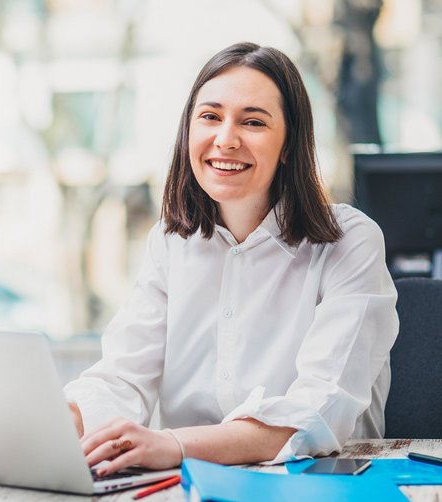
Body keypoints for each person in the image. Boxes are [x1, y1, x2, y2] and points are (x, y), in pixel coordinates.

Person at [64, 42, 398, 477]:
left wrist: (172, 444)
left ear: (288, 146)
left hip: (315, 484)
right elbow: (123, 377)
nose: (225, 139)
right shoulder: (170, 241)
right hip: (189, 483)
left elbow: (318, 410)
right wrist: (60, 423)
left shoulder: (348, 241)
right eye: (209, 117)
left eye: (253, 122)